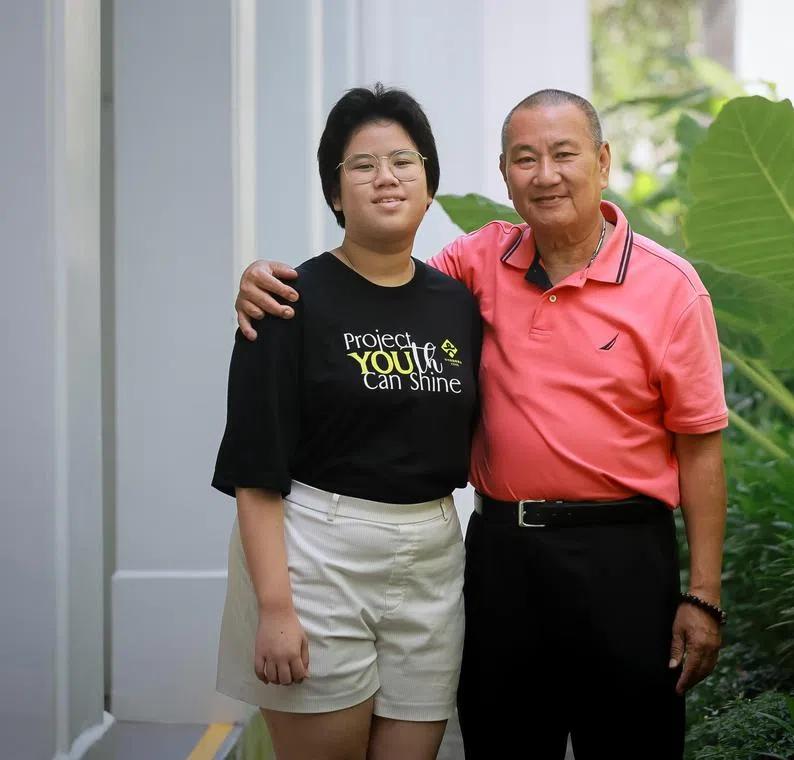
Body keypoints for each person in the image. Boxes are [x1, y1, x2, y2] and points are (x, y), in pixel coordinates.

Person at [235, 88, 727, 760]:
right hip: (501, 556)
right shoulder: (475, 265)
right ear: (504, 174)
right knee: (503, 741)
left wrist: (704, 596)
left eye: (563, 154)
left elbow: (701, 449)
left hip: (624, 559)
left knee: (633, 744)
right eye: (525, 158)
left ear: (603, 161)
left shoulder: (670, 286)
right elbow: (375, 292)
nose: (545, 174)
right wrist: (262, 276)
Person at [212, 85, 481, 760]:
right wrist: (275, 609)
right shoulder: (285, 301)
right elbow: (256, 474)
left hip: (433, 555)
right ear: (336, 193)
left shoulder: (459, 305)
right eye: (362, 165)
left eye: (403, 161)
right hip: (318, 555)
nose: (385, 176)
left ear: (428, 183)